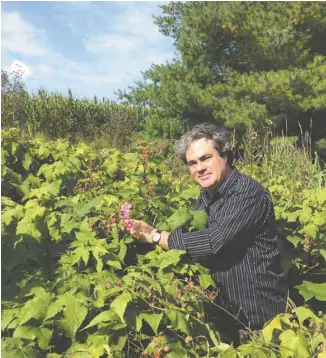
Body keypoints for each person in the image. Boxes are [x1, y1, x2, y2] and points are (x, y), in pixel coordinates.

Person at [128, 123, 287, 343]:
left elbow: (212, 242)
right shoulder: (206, 196)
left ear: (225, 156)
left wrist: (155, 236)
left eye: (206, 158)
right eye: (192, 163)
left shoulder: (248, 194)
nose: (199, 168)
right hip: (225, 318)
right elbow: (192, 238)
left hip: (259, 324)